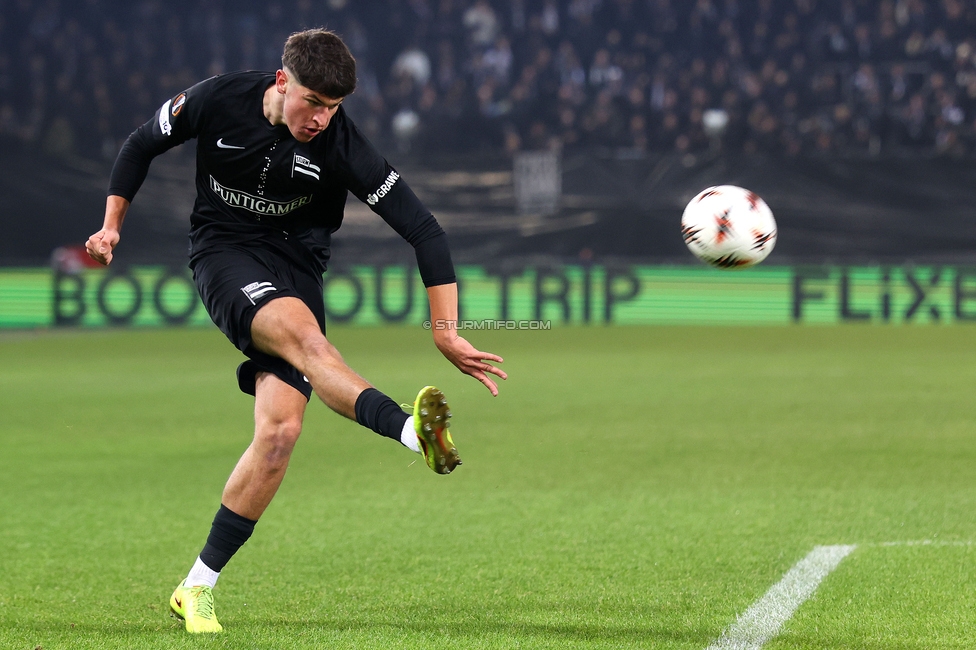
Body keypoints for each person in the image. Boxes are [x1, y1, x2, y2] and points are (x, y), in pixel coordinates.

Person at [85, 28, 506, 634]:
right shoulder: (218, 99)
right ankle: (412, 432)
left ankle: (195, 587)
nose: (321, 119)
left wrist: (446, 331)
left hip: (298, 266)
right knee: (312, 349)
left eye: (334, 108)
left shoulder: (341, 142)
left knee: (280, 434)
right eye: (313, 103)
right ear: (283, 82)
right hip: (224, 255)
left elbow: (425, 231)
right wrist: (111, 226)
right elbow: (139, 144)